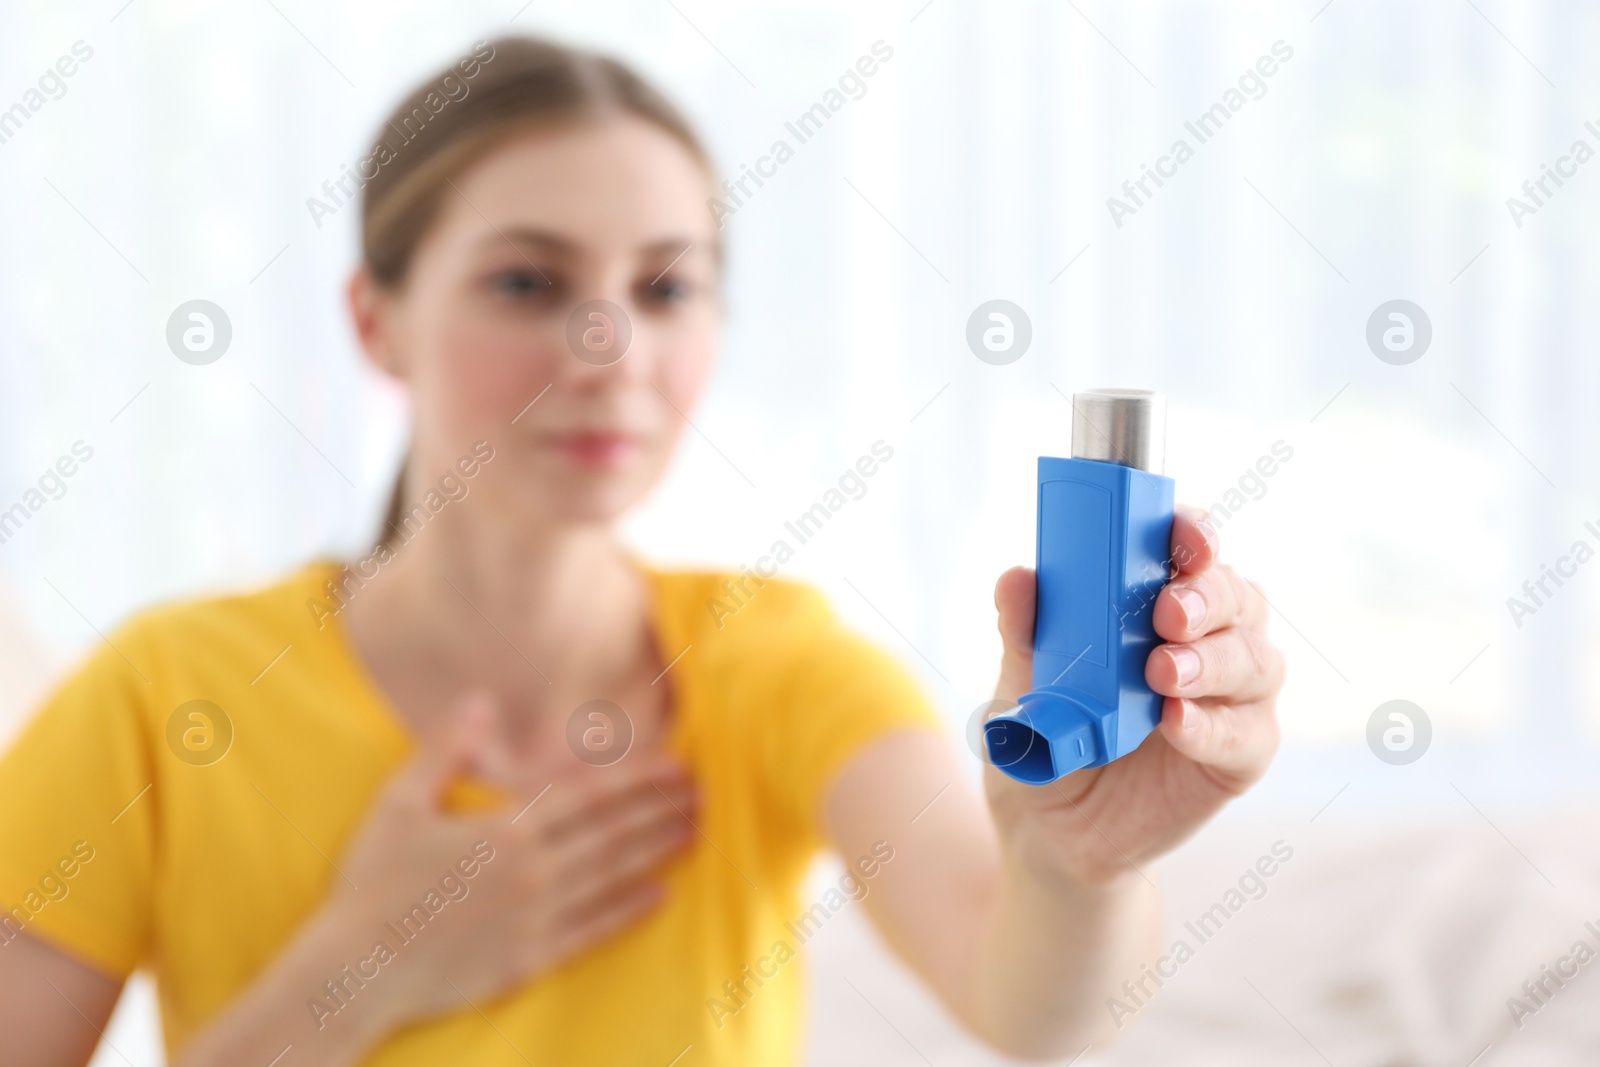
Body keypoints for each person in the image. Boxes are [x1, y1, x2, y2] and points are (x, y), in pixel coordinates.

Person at [0, 35, 1285, 1067]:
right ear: (375, 318)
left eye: (666, 287)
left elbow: (1032, 1012)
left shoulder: (771, 664)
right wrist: (362, 966)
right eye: (525, 282)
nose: (609, 349)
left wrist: (1073, 865)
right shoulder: (159, 695)